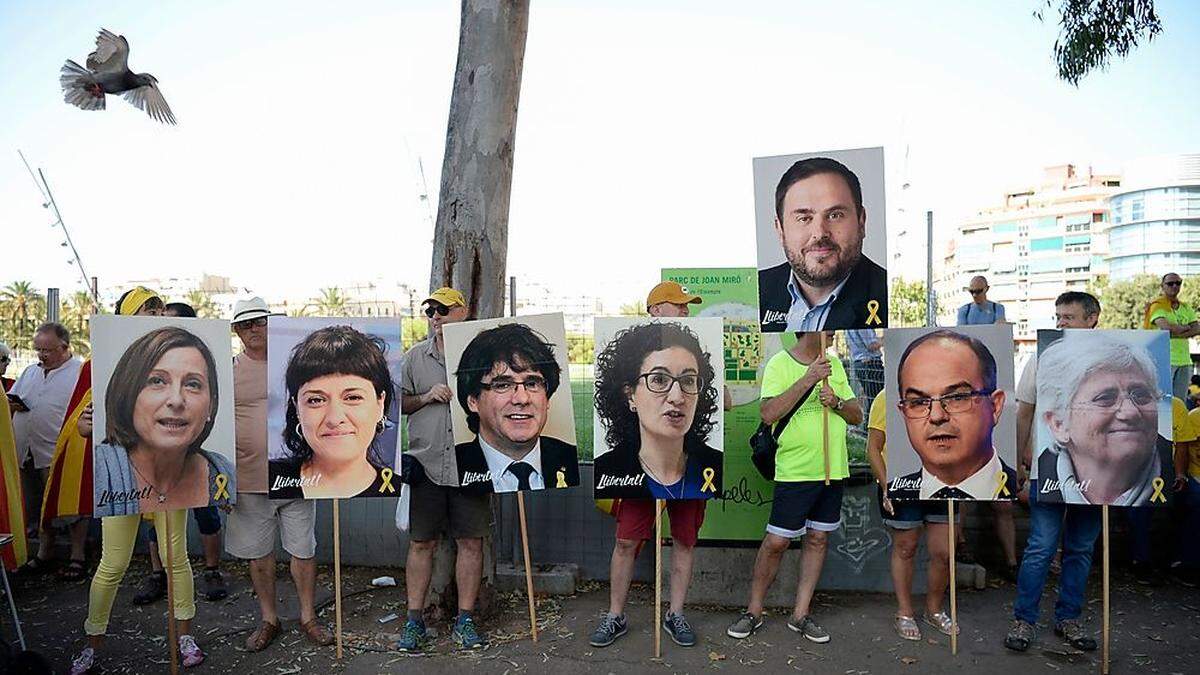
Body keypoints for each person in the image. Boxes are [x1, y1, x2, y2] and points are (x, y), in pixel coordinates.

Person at [68, 288, 209, 674]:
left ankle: (185, 637)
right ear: (128, 317)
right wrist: (85, 427)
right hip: (121, 474)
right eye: (148, 310)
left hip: (171, 472)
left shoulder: (181, 357)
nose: (158, 314)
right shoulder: (106, 361)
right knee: (112, 563)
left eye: (160, 308)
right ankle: (92, 644)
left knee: (175, 557)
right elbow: (87, 424)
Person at [589, 289, 720, 650]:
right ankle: (615, 614)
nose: (683, 311)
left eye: (688, 381)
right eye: (677, 305)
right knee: (627, 539)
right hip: (637, 476)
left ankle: (675, 613)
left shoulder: (703, 465)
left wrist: (720, 399)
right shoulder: (616, 463)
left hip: (687, 475)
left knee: (684, 540)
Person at [727, 331, 862, 643]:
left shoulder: (835, 365)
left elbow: (856, 415)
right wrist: (809, 378)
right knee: (777, 542)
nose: (834, 333)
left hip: (832, 470)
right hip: (795, 472)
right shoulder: (780, 363)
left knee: (817, 539)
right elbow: (768, 412)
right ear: (811, 331)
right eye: (828, 329)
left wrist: (838, 401)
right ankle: (754, 611)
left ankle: (800, 614)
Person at [223, 297, 334, 652]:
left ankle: (308, 617)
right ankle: (268, 618)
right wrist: (218, 481)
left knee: (303, 549)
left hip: (297, 473)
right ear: (236, 331)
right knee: (259, 554)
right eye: (246, 324)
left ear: (273, 324)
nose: (254, 329)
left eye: (260, 321)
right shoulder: (225, 371)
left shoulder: (297, 365)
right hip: (248, 478)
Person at [1006, 291, 1103, 653]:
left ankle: (1069, 618)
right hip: (1048, 469)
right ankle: (1024, 620)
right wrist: (1018, 461)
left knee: (1079, 548)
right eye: (1058, 316)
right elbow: (1024, 410)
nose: (1060, 323)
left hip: (1096, 473)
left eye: (1069, 317)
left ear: (1092, 318)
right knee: (1041, 548)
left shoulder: (1112, 355)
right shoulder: (1042, 355)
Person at [397, 288, 488, 652]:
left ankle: (465, 621)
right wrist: (425, 397)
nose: (436, 315)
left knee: (471, 542)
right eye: (431, 310)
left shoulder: (483, 358)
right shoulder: (413, 358)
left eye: (444, 309)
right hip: (427, 465)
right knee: (421, 544)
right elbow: (397, 404)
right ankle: (413, 622)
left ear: (462, 312)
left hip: (473, 463)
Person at [136, 301, 227, 604]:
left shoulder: (201, 358)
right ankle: (156, 573)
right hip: (159, 457)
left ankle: (212, 571)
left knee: (206, 509)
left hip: (195, 452)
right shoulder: (148, 358)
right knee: (156, 512)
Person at [92, 326, 235, 516]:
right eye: (157, 381)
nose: (176, 400)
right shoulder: (95, 470)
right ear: (127, 393)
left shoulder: (224, 475)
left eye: (193, 384)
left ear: (211, 405)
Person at [1036, 331, 1171, 507]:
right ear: (1059, 424)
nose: (1130, 412)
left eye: (1141, 394)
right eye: (1105, 398)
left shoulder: (1180, 484)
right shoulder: (1041, 482)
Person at [593, 322, 723, 500]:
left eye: (688, 380)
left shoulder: (717, 467)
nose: (677, 397)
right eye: (660, 379)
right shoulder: (605, 473)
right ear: (630, 396)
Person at [865, 392, 957, 640]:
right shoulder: (885, 397)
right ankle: (905, 612)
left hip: (943, 481)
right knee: (906, 546)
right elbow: (873, 447)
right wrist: (887, 486)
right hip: (903, 481)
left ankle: (934, 610)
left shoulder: (948, 396)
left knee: (944, 551)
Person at [758, 157, 888, 331]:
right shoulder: (754, 293)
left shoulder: (888, 298)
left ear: (861, 221)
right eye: (803, 218)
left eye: (835, 215)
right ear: (780, 229)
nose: (819, 233)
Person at [270, 325, 398, 499]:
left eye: (353, 398)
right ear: (297, 408)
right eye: (316, 400)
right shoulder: (270, 479)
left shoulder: (398, 490)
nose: (335, 418)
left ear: (380, 404)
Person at [888, 329, 1016, 501]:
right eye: (918, 402)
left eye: (957, 397)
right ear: (903, 412)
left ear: (995, 406)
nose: (936, 416)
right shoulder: (893, 499)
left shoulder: (1021, 494)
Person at [452, 322, 578, 493]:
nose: (522, 398)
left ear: (547, 399)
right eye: (503, 385)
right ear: (473, 400)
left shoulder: (573, 460)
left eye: (532, 383)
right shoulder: (448, 470)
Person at [10, 323, 85, 579]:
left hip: (60, 450)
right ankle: (45, 551)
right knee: (38, 505)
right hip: (28, 451)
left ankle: (78, 556)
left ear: (64, 347)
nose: (42, 355)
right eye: (38, 350)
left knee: (69, 506)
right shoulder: (30, 372)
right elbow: (13, 397)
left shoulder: (79, 372)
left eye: (47, 350)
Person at [1148, 273, 1199, 401]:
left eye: (1178, 283)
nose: (1174, 286)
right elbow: (1166, 328)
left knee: (1180, 402)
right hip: (1164, 360)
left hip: (1185, 360)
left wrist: (1175, 331)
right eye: (1170, 283)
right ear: (1162, 286)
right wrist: (1186, 327)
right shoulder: (1157, 305)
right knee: (1163, 401)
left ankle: (1177, 422)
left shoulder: (1186, 307)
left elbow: (1197, 329)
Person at [845, 328, 882, 417]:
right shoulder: (863, 322)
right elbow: (871, 345)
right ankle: (872, 426)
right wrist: (886, 338)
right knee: (878, 399)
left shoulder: (850, 323)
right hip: (869, 363)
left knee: (872, 399)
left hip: (859, 363)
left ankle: (868, 426)